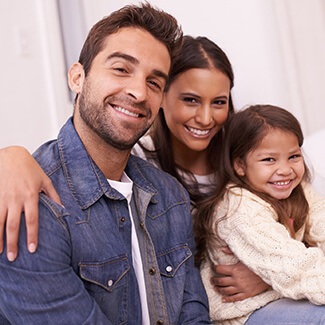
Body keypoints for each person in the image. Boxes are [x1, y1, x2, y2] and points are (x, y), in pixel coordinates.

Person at [0, 35, 270, 303]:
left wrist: (266, 275)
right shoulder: (133, 158)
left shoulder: (244, 158)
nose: (206, 117)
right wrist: (11, 156)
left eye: (219, 102)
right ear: (163, 98)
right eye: (190, 100)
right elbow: (67, 157)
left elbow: (299, 219)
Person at [0, 3, 212, 324]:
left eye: (154, 82)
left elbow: (193, 312)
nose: (139, 92)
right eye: (121, 69)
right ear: (77, 78)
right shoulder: (31, 202)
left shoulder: (170, 195)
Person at [198, 104, 325, 324]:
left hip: (280, 295)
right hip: (242, 314)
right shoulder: (238, 208)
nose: (285, 169)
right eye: (269, 159)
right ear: (240, 165)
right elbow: (294, 270)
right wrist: (274, 280)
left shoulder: (298, 191)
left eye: (293, 156)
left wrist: (265, 281)